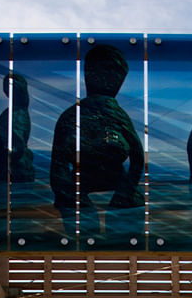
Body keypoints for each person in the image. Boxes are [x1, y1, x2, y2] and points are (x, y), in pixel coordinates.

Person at [50, 45, 144, 233]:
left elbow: (138, 156)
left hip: (115, 178)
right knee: (81, 223)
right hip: (80, 181)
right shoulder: (71, 116)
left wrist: (125, 190)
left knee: (130, 209)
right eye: (105, 71)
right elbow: (58, 166)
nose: (111, 79)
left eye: (115, 74)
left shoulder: (117, 115)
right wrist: (70, 195)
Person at [0, 72, 35, 182]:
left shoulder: (16, 115)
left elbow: (18, 147)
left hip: (15, 169)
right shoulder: (12, 114)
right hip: (11, 168)